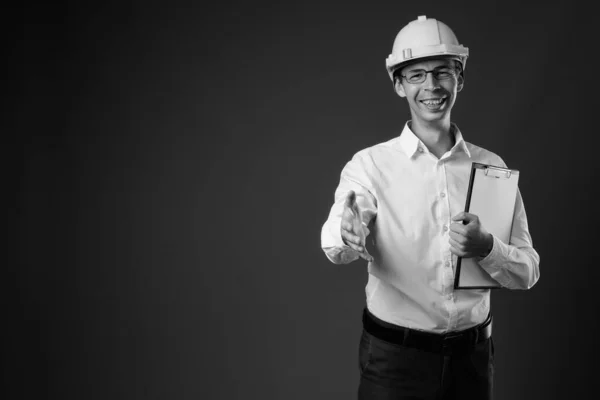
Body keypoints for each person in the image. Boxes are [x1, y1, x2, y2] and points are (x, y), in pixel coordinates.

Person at [320, 15, 540, 400]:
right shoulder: (369, 165)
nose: (432, 86)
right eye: (416, 75)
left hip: (471, 361)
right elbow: (340, 232)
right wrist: (346, 231)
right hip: (393, 363)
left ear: (460, 79)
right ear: (398, 84)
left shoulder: (492, 170)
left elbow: (527, 272)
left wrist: (487, 247)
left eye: (442, 72)